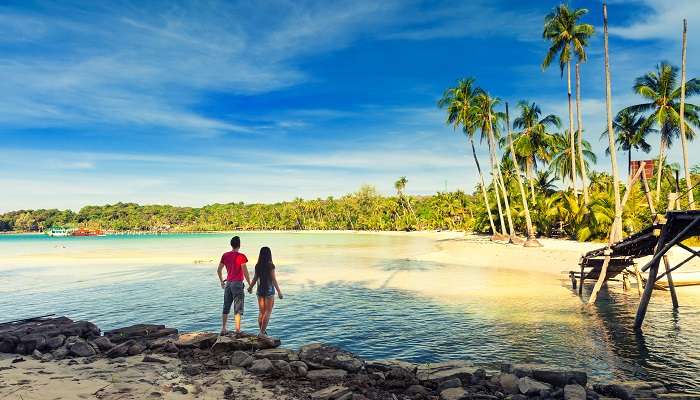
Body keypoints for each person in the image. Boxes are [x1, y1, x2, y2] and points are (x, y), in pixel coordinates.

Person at [216, 236, 251, 335]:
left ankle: (223, 329)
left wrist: (222, 282)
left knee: (226, 306)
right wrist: (250, 284)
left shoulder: (225, 255)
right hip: (237, 284)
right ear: (239, 245)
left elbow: (219, 270)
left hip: (228, 283)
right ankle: (237, 330)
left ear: (231, 244)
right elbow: (245, 272)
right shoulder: (241, 256)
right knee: (238, 307)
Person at [248, 246, 283, 339]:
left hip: (260, 291)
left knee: (261, 312)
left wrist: (250, 287)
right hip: (269, 291)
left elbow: (255, 278)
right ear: (269, 255)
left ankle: (261, 332)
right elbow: (273, 279)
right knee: (268, 312)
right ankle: (262, 333)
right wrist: (279, 292)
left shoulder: (258, 265)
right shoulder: (270, 265)